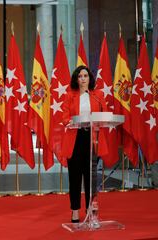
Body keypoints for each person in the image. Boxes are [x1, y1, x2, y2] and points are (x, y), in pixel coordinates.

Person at [61, 65, 108, 223]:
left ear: (90, 78)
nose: (83, 79)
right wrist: (72, 122)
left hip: (92, 139)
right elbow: (64, 117)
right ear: (76, 79)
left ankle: (90, 211)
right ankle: (75, 211)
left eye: (85, 76)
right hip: (75, 138)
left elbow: (104, 114)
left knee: (91, 178)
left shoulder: (97, 95)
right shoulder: (69, 96)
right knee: (75, 177)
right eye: (80, 76)